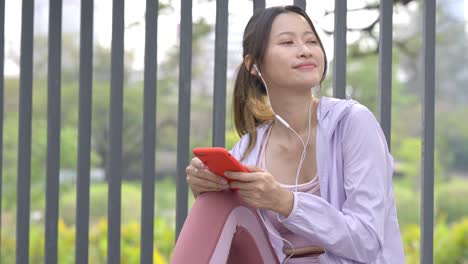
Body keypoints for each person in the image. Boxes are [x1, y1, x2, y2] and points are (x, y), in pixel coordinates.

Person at [171, 5, 405, 264]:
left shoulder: (352, 124)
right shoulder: (249, 149)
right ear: (253, 64)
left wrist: (287, 202)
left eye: (311, 41)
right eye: (287, 42)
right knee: (215, 201)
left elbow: (367, 241)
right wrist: (208, 188)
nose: (305, 50)